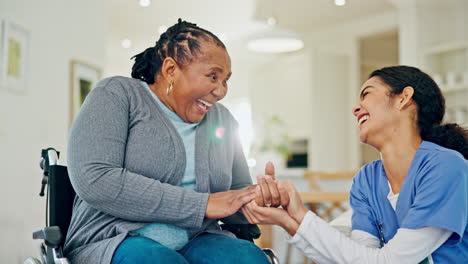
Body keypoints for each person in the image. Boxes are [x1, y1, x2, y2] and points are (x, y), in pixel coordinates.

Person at [63, 19, 270, 264]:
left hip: (199, 237)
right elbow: (95, 179)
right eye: (213, 76)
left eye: (225, 80)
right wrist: (202, 205)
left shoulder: (222, 119)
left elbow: (235, 198)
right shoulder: (118, 95)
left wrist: (261, 199)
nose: (221, 91)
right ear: (171, 69)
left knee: (249, 259)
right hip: (115, 238)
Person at [242, 66, 468, 263]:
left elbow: (391, 262)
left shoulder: (445, 167)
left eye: (366, 94)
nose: (355, 108)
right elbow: (360, 258)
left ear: (403, 98)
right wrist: (288, 219)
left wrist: (301, 216)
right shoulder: (367, 179)